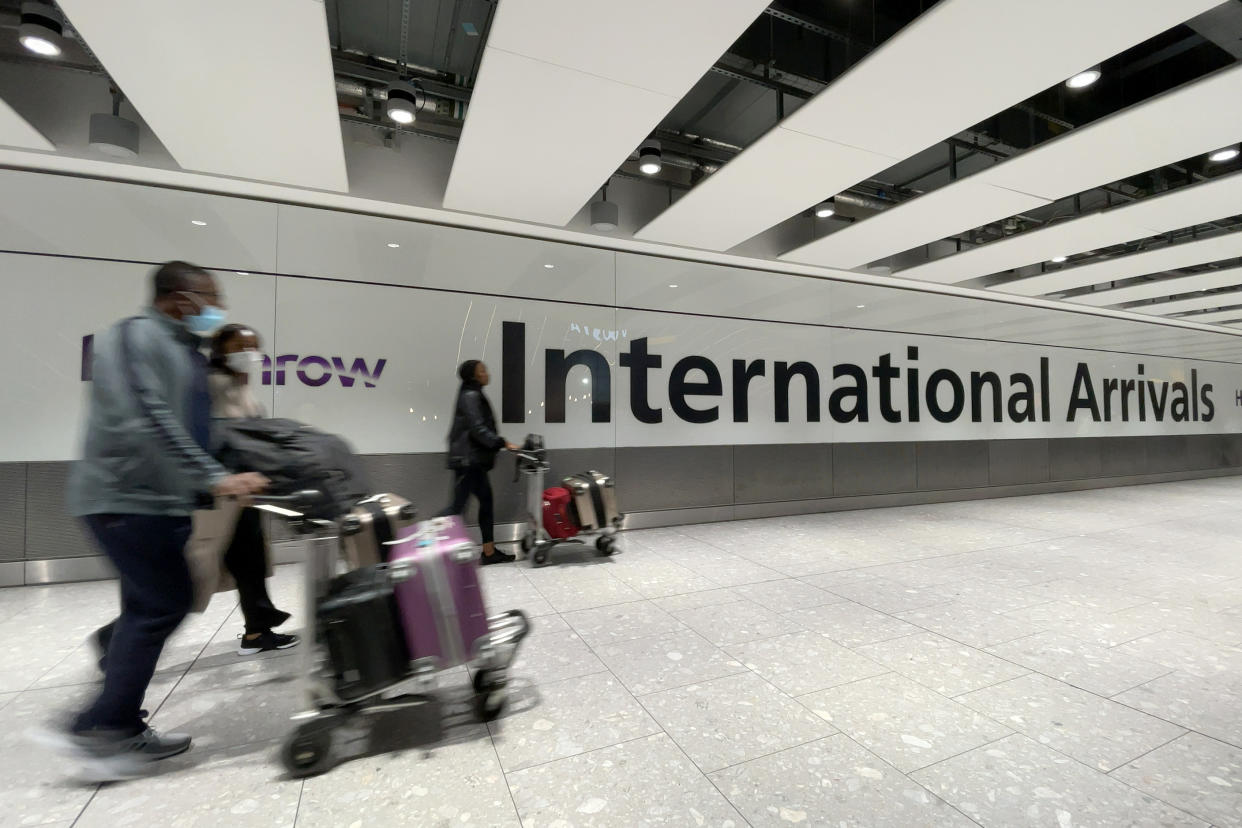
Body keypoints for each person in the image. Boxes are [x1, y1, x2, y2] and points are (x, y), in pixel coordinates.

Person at [45, 261, 268, 781]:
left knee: (151, 604)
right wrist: (214, 476)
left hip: (161, 500)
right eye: (210, 298)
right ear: (179, 297)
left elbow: (195, 425)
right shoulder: (131, 337)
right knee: (165, 602)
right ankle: (105, 725)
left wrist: (242, 466)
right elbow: (148, 416)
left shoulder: (183, 351)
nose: (217, 309)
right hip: (125, 496)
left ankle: (111, 709)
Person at [441, 360, 518, 564]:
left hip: (471, 460)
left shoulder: (471, 393)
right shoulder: (470, 395)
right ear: (474, 376)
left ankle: (489, 552)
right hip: (468, 461)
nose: (487, 373)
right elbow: (477, 428)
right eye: (483, 370)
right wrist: (502, 442)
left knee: (484, 502)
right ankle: (429, 547)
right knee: (456, 509)